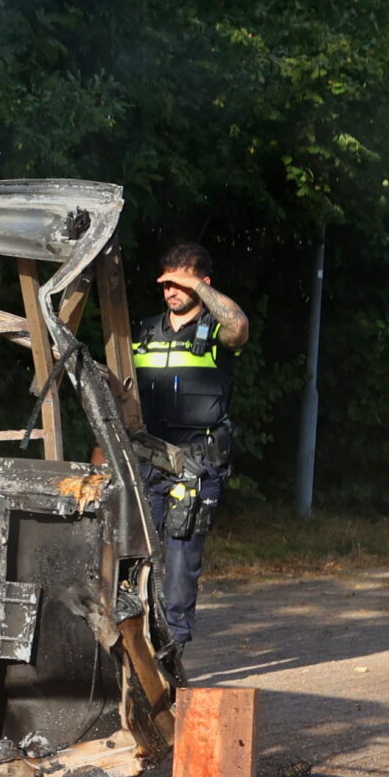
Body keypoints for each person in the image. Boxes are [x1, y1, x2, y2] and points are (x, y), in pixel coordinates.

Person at [132, 242, 251, 643]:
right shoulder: (145, 331)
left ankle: (172, 649)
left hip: (195, 465)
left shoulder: (217, 329)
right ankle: (138, 643)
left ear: (203, 283)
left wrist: (198, 289)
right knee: (137, 557)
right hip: (146, 461)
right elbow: (119, 395)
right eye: (167, 282)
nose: (171, 291)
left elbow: (240, 327)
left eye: (180, 282)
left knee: (181, 564)